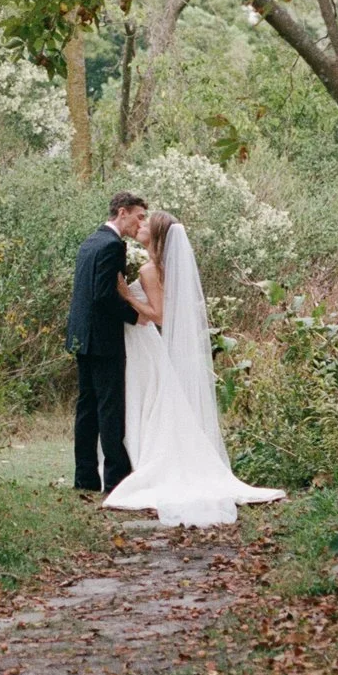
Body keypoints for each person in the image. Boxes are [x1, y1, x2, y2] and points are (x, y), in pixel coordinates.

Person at [102, 211, 284, 526]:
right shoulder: (160, 267)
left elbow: (159, 316)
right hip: (145, 344)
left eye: (147, 223)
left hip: (144, 343)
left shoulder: (149, 270)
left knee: (147, 402)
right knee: (151, 404)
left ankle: (142, 464)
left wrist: (126, 297)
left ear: (157, 235)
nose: (141, 225)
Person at [66, 191, 148, 494]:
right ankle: (116, 479)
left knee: (87, 407)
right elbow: (103, 294)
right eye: (139, 216)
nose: (141, 223)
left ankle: (85, 477)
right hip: (103, 338)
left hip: (82, 337)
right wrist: (132, 315)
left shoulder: (90, 241)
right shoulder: (113, 245)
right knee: (110, 407)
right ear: (122, 212)